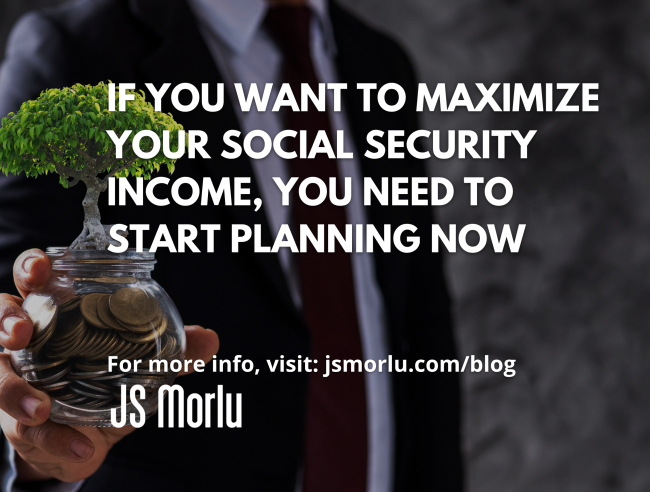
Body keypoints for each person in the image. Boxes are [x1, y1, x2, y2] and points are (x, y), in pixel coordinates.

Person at [0, 0, 463, 491]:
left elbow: (418, 319)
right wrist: (33, 452)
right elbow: (13, 315)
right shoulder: (76, 49)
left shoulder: (378, 61)